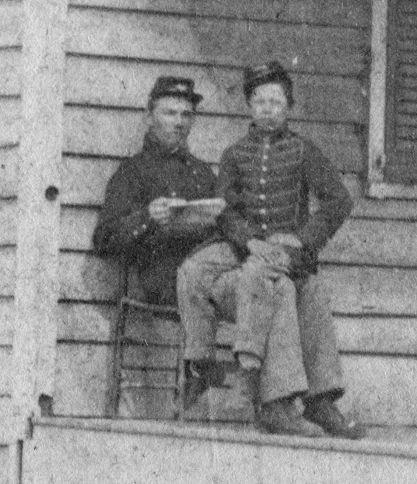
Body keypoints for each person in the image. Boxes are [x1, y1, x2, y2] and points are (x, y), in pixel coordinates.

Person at [177, 61, 366, 439]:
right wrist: (250, 240)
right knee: (274, 287)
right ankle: (277, 404)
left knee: (309, 288)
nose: (267, 109)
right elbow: (225, 211)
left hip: (288, 255)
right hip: (247, 252)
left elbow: (338, 200)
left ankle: (320, 400)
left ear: (288, 107)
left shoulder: (303, 150)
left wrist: (303, 238)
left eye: (276, 102)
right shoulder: (234, 154)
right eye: (260, 101)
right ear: (249, 105)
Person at [93, 76, 226, 400]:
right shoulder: (132, 172)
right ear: (149, 116)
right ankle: (201, 366)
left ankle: (263, 395)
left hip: (207, 277)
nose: (179, 122)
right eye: (170, 113)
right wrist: (147, 217)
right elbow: (104, 238)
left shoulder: (203, 173)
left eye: (186, 115)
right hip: (158, 279)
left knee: (260, 289)